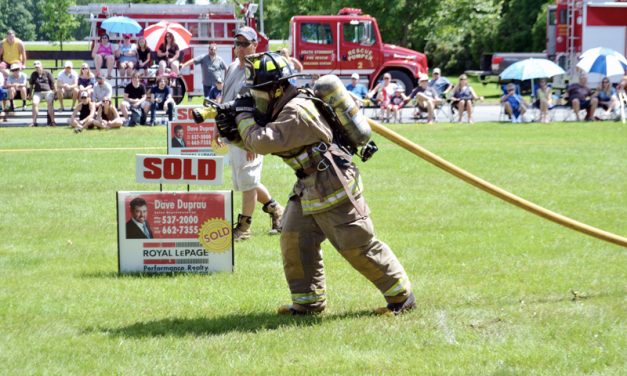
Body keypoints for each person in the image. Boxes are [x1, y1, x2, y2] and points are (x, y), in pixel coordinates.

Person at [224, 51, 415, 315]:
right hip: (309, 186)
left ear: (277, 89)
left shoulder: (296, 112)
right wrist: (232, 132)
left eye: (259, 94)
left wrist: (242, 117)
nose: (256, 100)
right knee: (294, 238)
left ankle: (401, 298)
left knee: (357, 245)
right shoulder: (284, 108)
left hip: (333, 185)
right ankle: (307, 303)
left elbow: (263, 142)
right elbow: (264, 140)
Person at [221, 26, 284, 241]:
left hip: (250, 135)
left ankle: (244, 227)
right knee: (245, 181)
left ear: (254, 46)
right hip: (232, 132)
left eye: (244, 44)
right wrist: (216, 130)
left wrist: (253, 142)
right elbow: (223, 100)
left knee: (248, 181)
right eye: (237, 43)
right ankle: (276, 210)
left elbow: (262, 109)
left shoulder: (259, 71)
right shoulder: (230, 68)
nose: (239, 48)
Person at [29, 61, 56, 127]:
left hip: (48, 91)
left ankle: (52, 121)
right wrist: (30, 94)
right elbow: (31, 85)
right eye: (36, 67)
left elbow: (53, 83)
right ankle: (34, 122)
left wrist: (55, 93)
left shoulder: (48, 73)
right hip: (37, 92)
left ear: (42, 66)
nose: (37, 68)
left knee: (50, 102)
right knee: (35, 103)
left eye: (38, 66)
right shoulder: (33, 74)